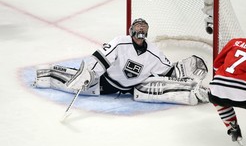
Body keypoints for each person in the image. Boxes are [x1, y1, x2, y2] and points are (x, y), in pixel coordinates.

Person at [34, 18, 209, 105]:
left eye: (144, 29)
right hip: (108, 82)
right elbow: (101, 58)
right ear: (131, 30)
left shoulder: (154, 52)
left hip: (133, 87)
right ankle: (46, 74)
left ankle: (196, 93)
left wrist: (184, 72)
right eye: (137, 28)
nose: (141, 30)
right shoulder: (120, 42)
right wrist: (89, 73)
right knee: (74, 83)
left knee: (161, 89)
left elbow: (168, 73)